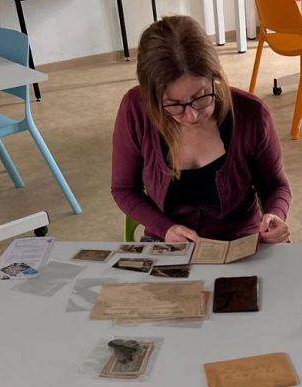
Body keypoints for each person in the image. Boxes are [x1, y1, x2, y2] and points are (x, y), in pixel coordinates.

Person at [112, 16, 291, 244]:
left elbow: (276, 185)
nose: (192, 115)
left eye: (201, 97)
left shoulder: (252, 114)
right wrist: (165, 228)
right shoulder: (135, 109)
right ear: (151, 97)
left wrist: (275, 214)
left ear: (214, 76)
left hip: (242, 242)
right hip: (168, 242)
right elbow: (124, 188)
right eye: (174, 105)